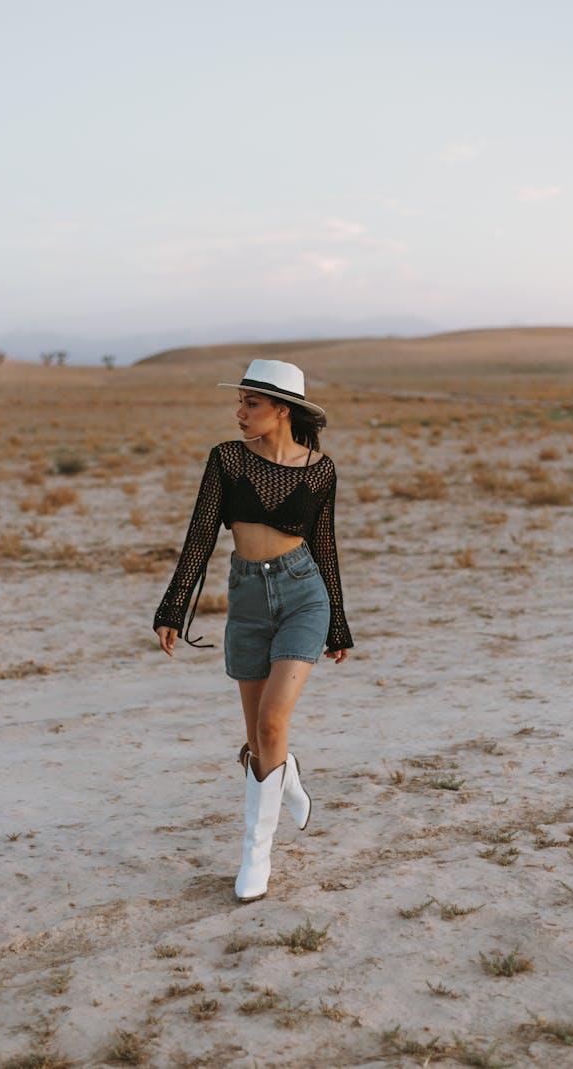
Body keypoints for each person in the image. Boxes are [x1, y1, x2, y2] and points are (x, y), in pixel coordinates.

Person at [154, 359, 353, 901]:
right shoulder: (226, 460)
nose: (239, 413)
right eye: (240, 403)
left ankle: (255, 856)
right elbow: (199, 535)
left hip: (301, 595)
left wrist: (337, 620)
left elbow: (326, 547)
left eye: (251, 404)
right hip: (246, 600)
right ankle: (283, 776)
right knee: (258, 740)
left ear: (281, 410)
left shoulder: (320, 470)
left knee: (270, 726)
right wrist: (174, 607)